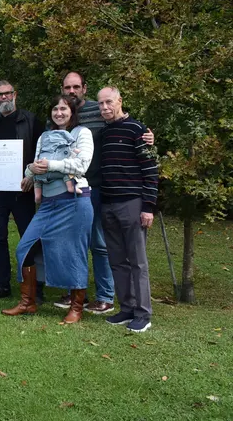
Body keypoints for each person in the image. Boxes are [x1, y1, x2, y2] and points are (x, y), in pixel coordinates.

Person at [50, 72, 155, 314]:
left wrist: (147, 136)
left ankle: (105, 296)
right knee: (74, 241)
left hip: (99, 188)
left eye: (76, 86)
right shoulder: (60, 113)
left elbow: (125, 126)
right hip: (70, 188)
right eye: (67, 87)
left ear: (84, 88)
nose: (72, 91)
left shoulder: (99, 111)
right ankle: (76, 292)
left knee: (100, 244)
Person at [4, 95, 94, 322]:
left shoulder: (82, 133)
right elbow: (35, 165)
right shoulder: (44, 136)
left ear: (72, 112)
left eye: (63, 108)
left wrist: (50, 165)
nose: (59, 113)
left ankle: (76, 307)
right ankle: (28, 302)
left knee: (74, 253)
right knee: (24, 247)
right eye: (55, 109)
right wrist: (30, 171)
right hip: (47, 204)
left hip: (74, 201)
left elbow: (82, 164)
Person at [97, 87, 158, 334]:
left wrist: (148, 207)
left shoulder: (138, 130)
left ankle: (143, 314)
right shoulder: (103, 133)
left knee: (137, 262)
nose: (104, 107)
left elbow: (150, 170)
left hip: (131, 203)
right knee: (117, 260)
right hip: (108, 203)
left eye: (109, 102)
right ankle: (127, 308)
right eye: (101, 104)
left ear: (120, 101)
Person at [0, 80, 44, 299]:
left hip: (22, 190)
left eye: (7, 93)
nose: (4, 97)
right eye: (0, 94)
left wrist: (32, 177)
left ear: (15, 95)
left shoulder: (30, 120)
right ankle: (2, 285)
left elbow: (40, 153)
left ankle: (35, 287)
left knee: (28, 238)